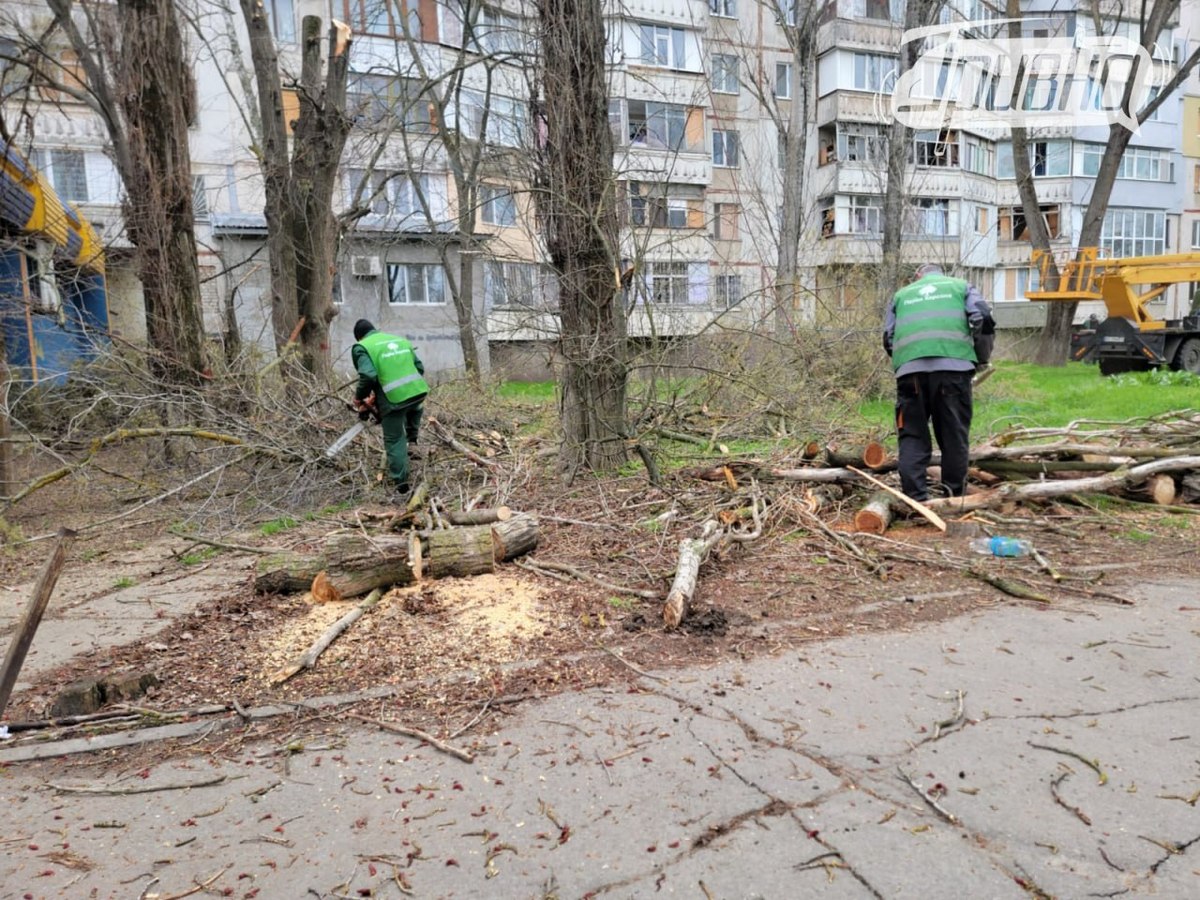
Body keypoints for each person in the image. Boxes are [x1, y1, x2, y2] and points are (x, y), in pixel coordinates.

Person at [883, 263, 994, 502]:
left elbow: (888, 337)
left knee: (912, 434)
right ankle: (953, 498)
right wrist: (981, 358)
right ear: (942, 274)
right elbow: (983, 317)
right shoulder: (961, 287)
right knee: (953, 434)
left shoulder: (902, 295)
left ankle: (916, 500)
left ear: (918, 276)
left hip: (909, 373)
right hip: (954, 370)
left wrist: (905, 361)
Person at [351, 319, 429, 498]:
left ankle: (402, 485)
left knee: (394, 439)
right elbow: (419, 368)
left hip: (394, 400)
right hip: (417, 391)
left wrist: (359, 397)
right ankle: (413, 441)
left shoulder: (361, 347)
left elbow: (368, 376)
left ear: (359, 337)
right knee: (415, 407)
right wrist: (375, 398)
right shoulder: (400, 340)